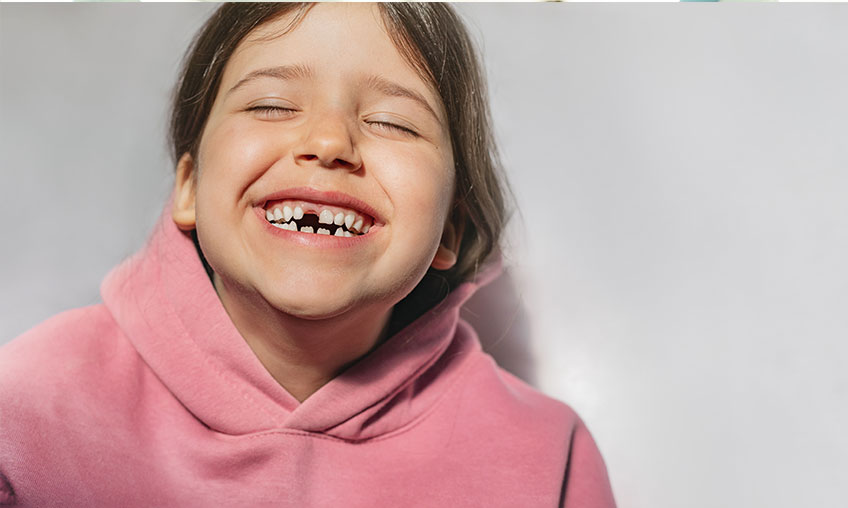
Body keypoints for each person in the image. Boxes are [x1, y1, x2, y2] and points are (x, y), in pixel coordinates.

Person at [0, 3, 615, 506]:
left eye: (395, 122)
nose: (328, 142)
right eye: (271, 105)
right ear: (188, 187)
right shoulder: (21, 407)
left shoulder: (548, 456)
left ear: (449, 231)